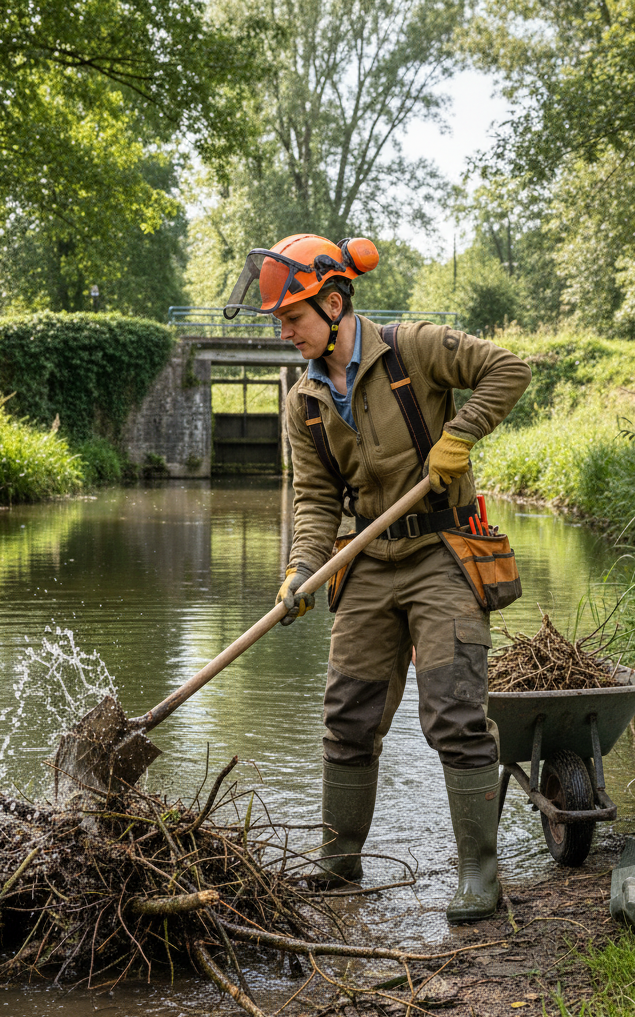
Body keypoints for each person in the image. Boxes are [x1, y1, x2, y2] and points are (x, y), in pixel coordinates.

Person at [223, 234, 531, 922]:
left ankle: (480, 874)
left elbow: (508, 370)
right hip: (365, 567)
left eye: (293, 318)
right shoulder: (303, 399)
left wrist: (463, 432)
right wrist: (302, 570)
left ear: (334, 304)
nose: (285, 333)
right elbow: (313, 499)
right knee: (347, 718)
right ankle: (339, 866)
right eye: (278, 321)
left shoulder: (413, 347)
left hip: (442, 555)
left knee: (455, 712)